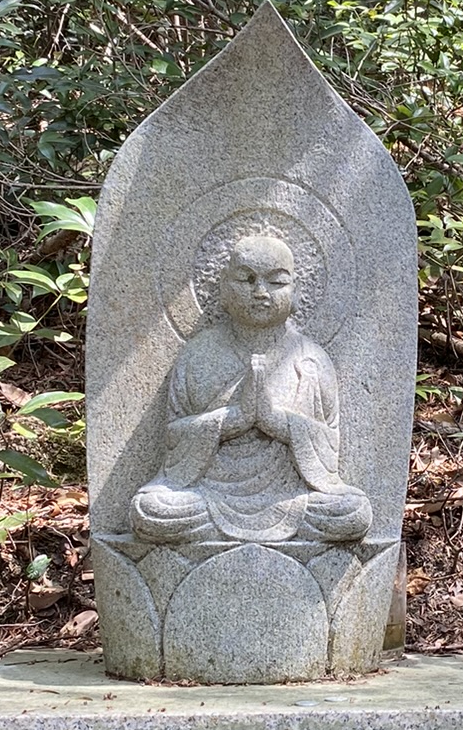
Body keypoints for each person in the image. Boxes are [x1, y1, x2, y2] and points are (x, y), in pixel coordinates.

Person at [131, 232, 372, 547]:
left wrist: (276, 422)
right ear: (224, 288)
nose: (260, 292)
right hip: (210, 495)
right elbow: (175, 434)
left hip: (293, 499)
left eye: (276, 282)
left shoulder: (311, 359)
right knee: (152, 509)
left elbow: (329, 440)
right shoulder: (198, 354)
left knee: (352, 512)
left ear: (295, 290)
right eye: (246, 279)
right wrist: (234, 419)